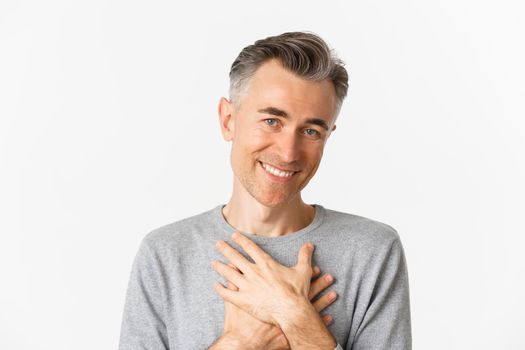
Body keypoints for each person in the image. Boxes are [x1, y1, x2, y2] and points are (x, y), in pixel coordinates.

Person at [118, 31, 412, 350]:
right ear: (228, 120)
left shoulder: (372, 251)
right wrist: (238, 343)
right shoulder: (165, 254)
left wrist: (297, 318)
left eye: (311, 131)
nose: (288, 153)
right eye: (272, 121)